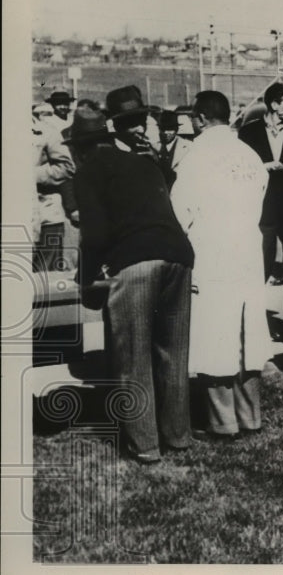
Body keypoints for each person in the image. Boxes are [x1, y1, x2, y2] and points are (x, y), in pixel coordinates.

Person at [70, 108, 195, 463]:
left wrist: (86, 280)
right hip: (179, 256)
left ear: (78, 148)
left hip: (136, 262)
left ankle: (145, 447)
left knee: (132, 357)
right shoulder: (142, 162)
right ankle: (179, 438)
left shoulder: (88, 171)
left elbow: (93, 236)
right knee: (173, 352)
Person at [171, 91, 270, 440]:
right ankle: (251, 416)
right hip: (247, 251)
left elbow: (180, 213)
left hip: (212, 253)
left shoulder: (195, 157)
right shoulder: (250, 155)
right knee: (248, 334)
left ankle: (223, 422)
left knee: (215, 334)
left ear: (199, 119)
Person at [238, 82, 283, 286]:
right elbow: (241, 168)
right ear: (275, 105)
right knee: (260, 263)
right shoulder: (248, 133)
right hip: (261, 207)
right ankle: (255, 314)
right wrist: (264, 167)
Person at [33, 103, 76, 272]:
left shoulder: (45, 131)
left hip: (45, 214)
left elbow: (66, 167)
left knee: (44, 278)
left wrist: (29, 175)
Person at [105, 85, 157, 158]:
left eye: (142, 121)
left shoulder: (148, 149)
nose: (141, 130)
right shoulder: (112, 155)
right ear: (117, 126)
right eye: (132, 124)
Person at [152, 109, 194, 190]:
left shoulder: (188, 147)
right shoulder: (154, 147)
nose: (166, 132)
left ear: (176, 129)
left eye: (170, 129)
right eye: (163, 129)